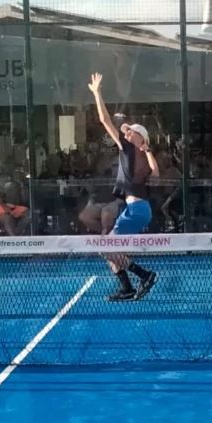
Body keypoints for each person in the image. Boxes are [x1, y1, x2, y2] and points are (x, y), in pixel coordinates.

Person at [88, 72, 160, 301]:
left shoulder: (131, 149)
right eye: (126, 131)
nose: (126, 132)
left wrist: (97, 93)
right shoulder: (137, 154)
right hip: (135, 210)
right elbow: (155, 172)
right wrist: (147, 150)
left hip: (137, 210)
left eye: (131, 131)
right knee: (112, 251)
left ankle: (145, 275)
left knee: (106, 248)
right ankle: (127, 288)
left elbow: (105, 120)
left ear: (140, 138)